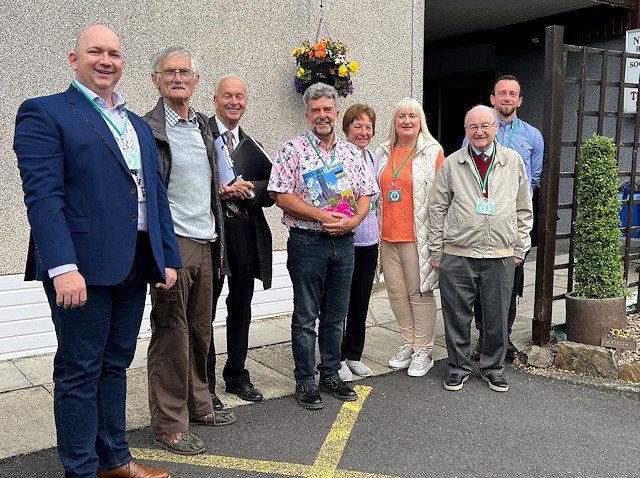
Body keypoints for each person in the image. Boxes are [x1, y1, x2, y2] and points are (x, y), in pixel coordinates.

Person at [14, 25, 180, 478]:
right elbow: (43, 198)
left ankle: (115, 461)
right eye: (95, 52)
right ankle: (82, 470)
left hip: (133, 263)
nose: (106, 60)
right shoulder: (44, 113)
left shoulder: (137, 124)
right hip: (81, 269)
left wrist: (165, 255)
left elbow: (153, 194)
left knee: (115, 366)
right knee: (79, 371)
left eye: (114, 53)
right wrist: (63, 267)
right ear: (74, 59)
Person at [143, 45, 235, 457]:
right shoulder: (145, 128)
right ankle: (168, 424)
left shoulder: (204, 128)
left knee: (199, 332)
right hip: (172, 244)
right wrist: (158, 253)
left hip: (208, 241)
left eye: (185, 72)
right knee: (170, 335)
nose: (178, 77)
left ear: (197, 81)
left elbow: (205, 182)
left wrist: (227, 190)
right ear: (155, 80)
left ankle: (199, 404)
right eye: (169, 72)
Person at [268, 83, 379, 410]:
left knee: (335, 314)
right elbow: (279, 194)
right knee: (305, 315)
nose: (322, 115)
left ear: (336, 113)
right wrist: (321, 215)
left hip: (344, 242)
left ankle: (331, 374)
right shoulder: (293, 149)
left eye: (327, 109)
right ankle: (304, 380)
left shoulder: (350, 152)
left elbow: (365, 193)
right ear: (307, 115)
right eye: (315, 110)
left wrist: (354, 221)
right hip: (307, 243)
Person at [428, 105, 533, 393]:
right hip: (458, 253)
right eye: (473, 127)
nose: (480, 132)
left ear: (495, 127)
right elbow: (437, 209)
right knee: (456, 315)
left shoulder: (513, 161)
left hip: (500, 254)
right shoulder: (452, 163)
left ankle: (492, 368)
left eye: (485, 125)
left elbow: (524, 208)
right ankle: (458, 367)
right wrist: (438, 252)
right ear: (466, 131)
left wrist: (520, 248)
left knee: (497, 316)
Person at [206, 75, 274, 408]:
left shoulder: (250, 144)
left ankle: (236, 376)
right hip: (212, 232)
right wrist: (217, 189)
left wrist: (248, 190)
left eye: (240, 97)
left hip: (245, 229)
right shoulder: (201, 136)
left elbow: (269, 189)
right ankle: (205, 385)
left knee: (241, 305)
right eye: (228, 96)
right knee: (204, 309)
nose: (234, 102)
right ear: (215, 100)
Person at [467, 75, 544, 361]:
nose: (507, 98)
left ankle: (504, 337)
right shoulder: (478, 130)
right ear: (493, 99)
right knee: (479, 282)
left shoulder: (533, 136)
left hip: (511, 221)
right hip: (479, 219)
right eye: (502, 94)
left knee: (509, 284)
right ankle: (483, 337)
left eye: (513, 94)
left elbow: (534, 179)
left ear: (520, 100)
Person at [377, 98, 445, 377]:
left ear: (421, 121)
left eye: (412, 116)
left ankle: (424, 350)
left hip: (418, 236)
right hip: (387, 235)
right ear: (394, 121)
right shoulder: (383, 151)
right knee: (396, 293)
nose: (406, 121)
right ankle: (408, 342)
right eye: (401, 116)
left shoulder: (432, 151)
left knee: (419, 294)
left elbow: (442, 198)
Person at [338, 104, 379, 382]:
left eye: (368, 127)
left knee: (361, 300)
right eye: (357, 126)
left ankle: (354, 354)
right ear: (346, 129)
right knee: (338, 301)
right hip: (344, 238)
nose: (363, 132)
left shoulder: (373, 158)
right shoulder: (338, 156)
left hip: (369, 239)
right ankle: (335, 357)